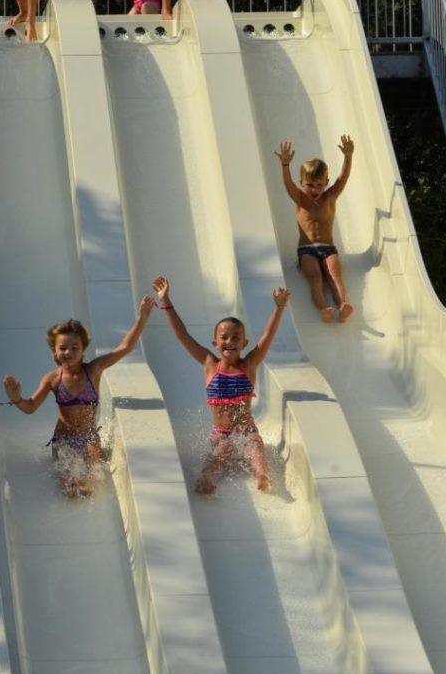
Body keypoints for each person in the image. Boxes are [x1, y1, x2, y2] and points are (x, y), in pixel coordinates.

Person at [152, 276, 290, 496]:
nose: (230, 341)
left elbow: (267, 337)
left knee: (256, 448)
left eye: (236, 337)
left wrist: (279, 308)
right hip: (222, 433)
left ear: (244, 343)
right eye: (224, 337)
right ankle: (206, 479)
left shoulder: (249, 364)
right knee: (221, 453)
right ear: (215, 343)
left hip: (246, 430)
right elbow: (182, 335)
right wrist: (166, 302)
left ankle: (262, 476)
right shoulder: (209, 364)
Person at [2, 299, 154, 496]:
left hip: (89, 437)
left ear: (83, 349)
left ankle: (88, 484)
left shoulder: (93, 370)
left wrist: (142, 318)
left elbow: (124, 348)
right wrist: (16, 398)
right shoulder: (52, 379)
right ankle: (72, 483)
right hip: (63, 439)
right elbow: (30, 407)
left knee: (91, 479)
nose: (68, 352)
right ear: (54, 352)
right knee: (70, 486)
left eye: (74, 347)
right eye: (63, 348)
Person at [275, 136, 355, 323]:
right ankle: (324, 308)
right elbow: (288, 185)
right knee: (316, 278)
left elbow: (343, 178)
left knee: (335, 277)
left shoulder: (330, 196)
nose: (315, 189)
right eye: (310, 185)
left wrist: (348, 157)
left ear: (326, 182)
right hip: (307, 250)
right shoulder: (300, 199)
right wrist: (285, 166)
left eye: (319, 184)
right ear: (302, 183)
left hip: (329, 248)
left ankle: (342, 306)